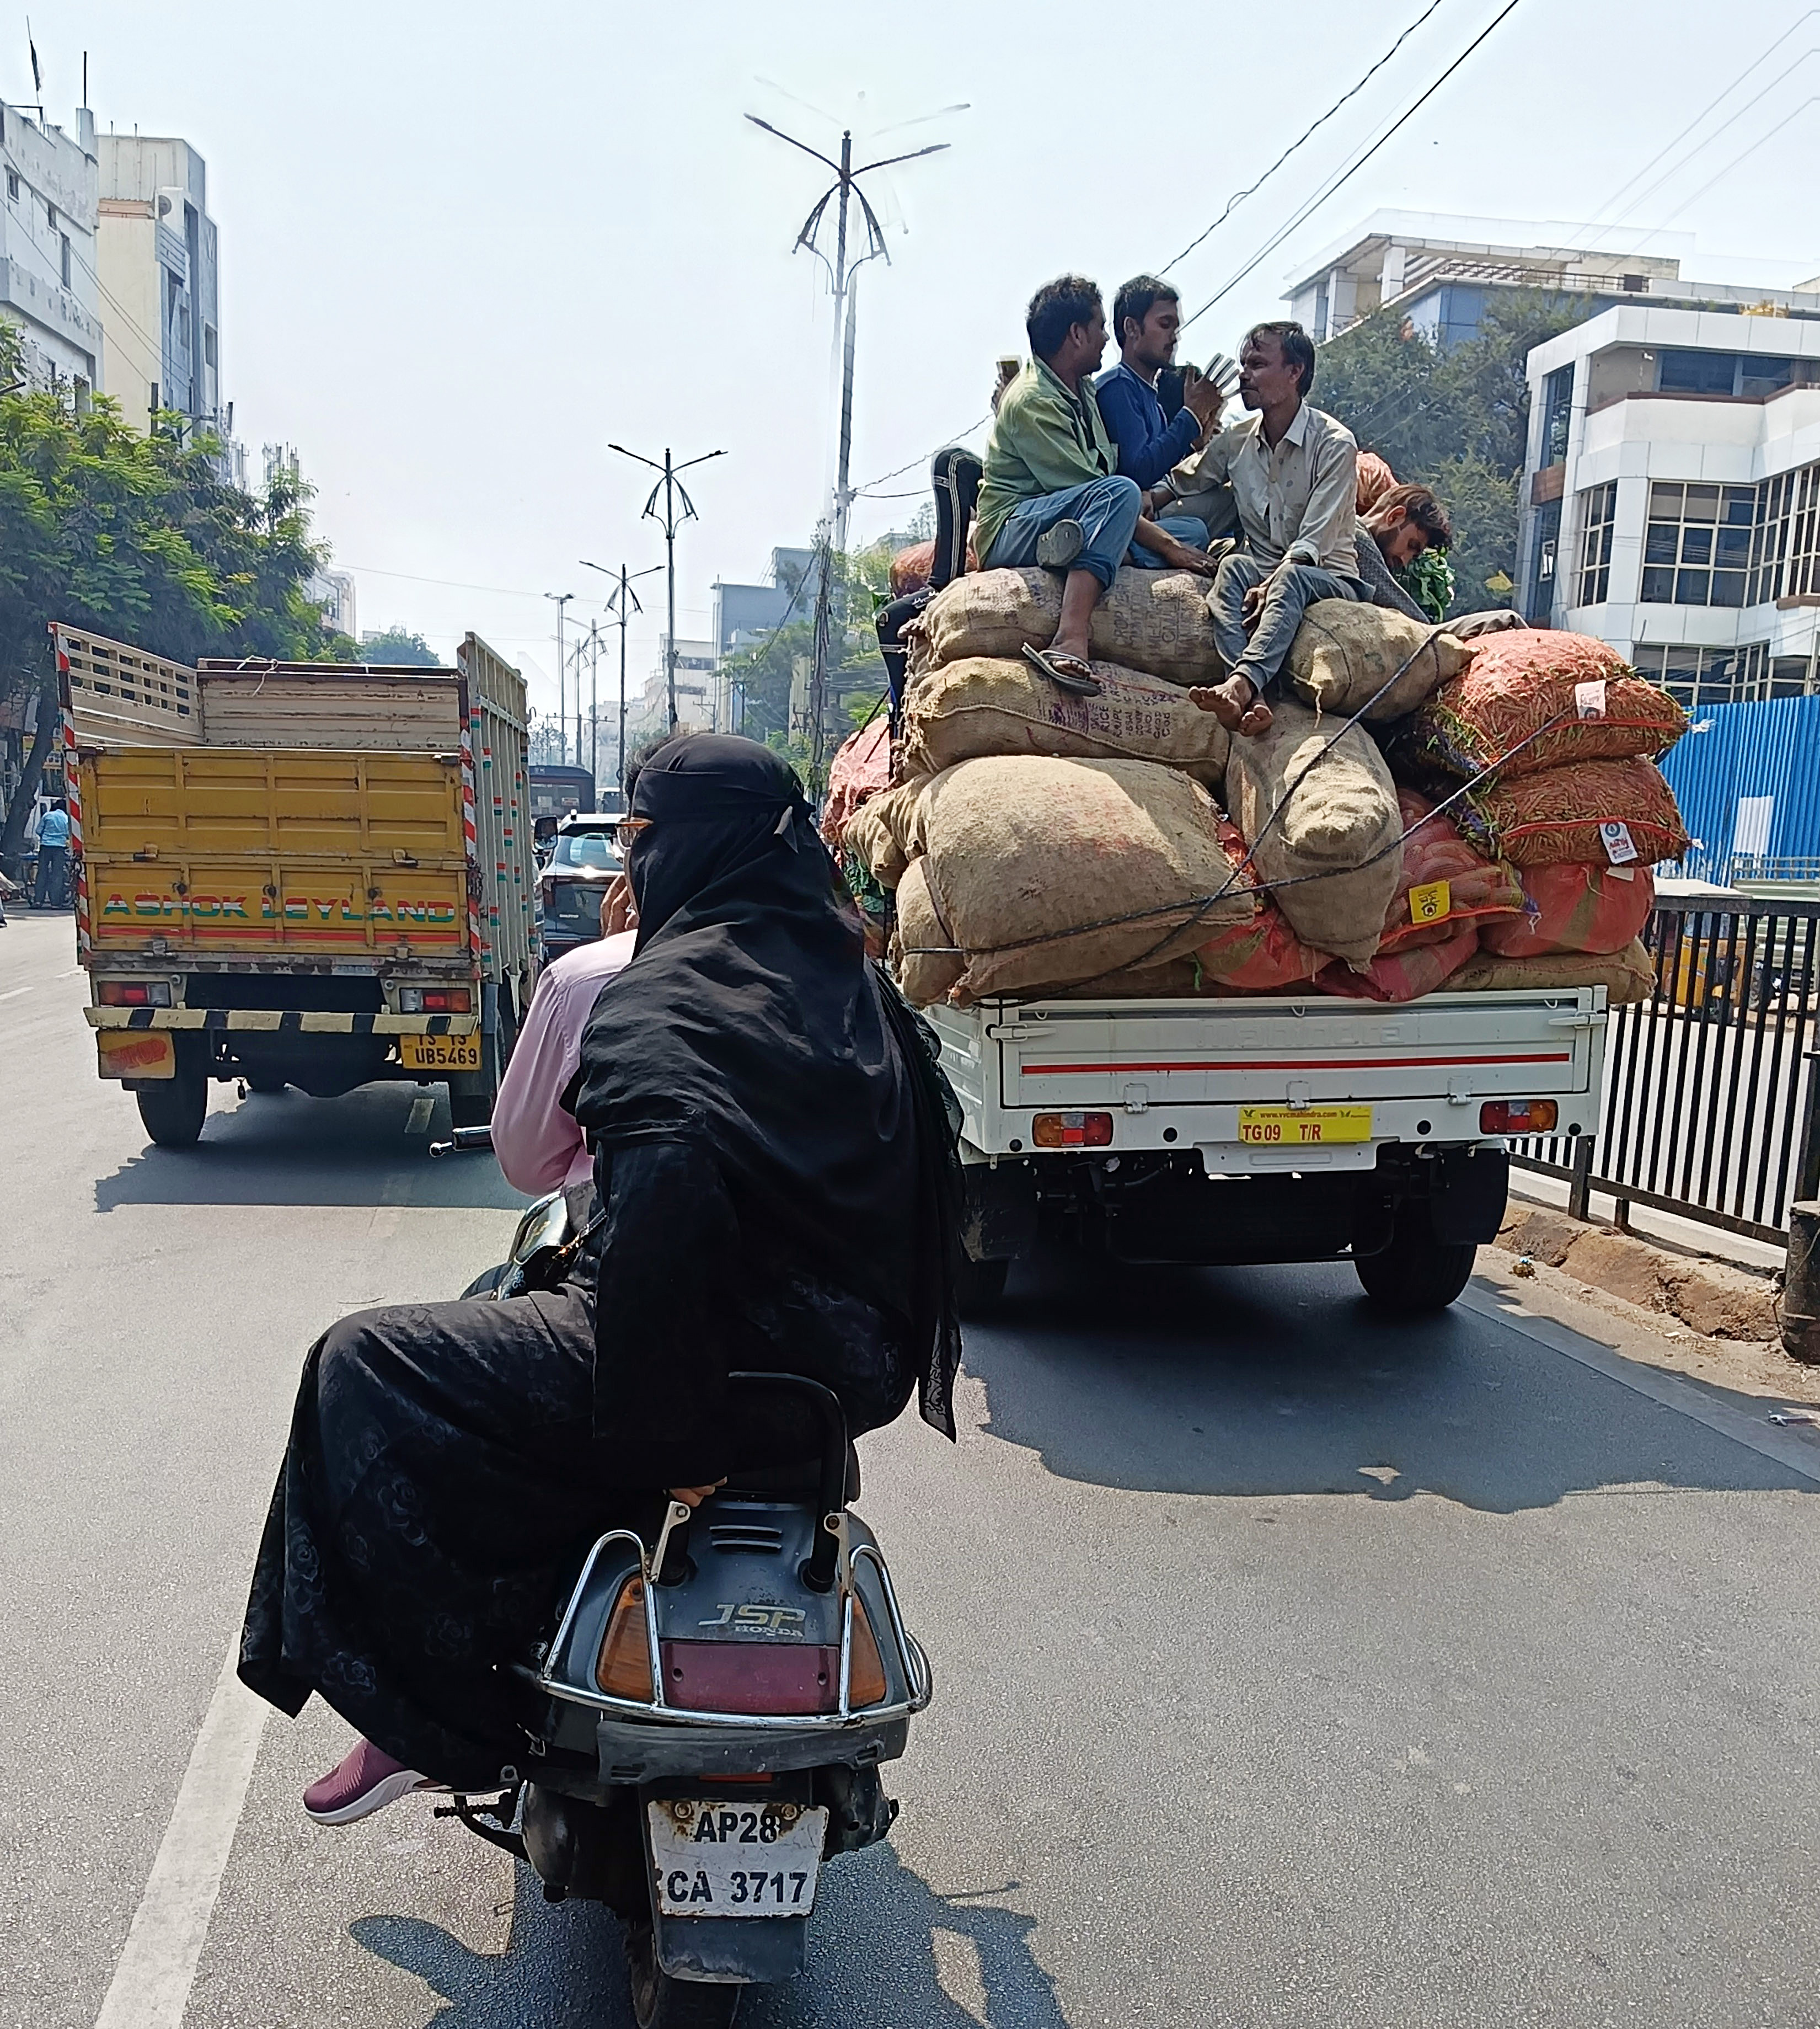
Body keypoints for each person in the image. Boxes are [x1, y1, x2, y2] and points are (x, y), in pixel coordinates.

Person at [239, 733, 964, 1823]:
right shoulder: (860, 991)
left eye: (648, 838)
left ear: (693, 851)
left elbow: (662, 1225)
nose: (641, 862)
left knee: (361, 1361)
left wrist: (673, 1445)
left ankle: (428, 1715)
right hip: (845, 1380)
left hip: (700, 1373)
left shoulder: (661, 998)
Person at [974, 276, 1215, 695]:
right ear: (1076, 334)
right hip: (1017, 526)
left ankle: (1088, 554)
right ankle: (1071, 636)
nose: (1107, 338)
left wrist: (1168, 539)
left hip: (1071, 521)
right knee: (1125, 498)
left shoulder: (1081, 392)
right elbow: (1101, 490)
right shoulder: (1034, 400)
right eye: (1102, 327)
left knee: (1193, 531)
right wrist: (1166, 547)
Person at [1182, 323, 1363, 739]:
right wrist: (1142, 499)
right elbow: (1184, 480)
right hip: (1262, 573)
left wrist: (1280, 577)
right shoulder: (1236, 442)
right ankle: (1254, 699)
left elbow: (1313, 541)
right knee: (1231, 570)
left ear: (1295, 372)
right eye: (1244, 364)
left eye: (1258, 364)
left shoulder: (1335, 443)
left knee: (1292, 577)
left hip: (1327, 577)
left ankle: (1242, 683)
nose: (1244, 374)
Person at [489, 875, 637, 1197]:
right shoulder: (770, 964)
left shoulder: (579, 979)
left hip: (615, 1224)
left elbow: (527, 1165)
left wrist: (620, 954)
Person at [1093, 275, 1226, 544]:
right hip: (1128, 516)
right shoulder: (1118, 387)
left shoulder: (1149, 393)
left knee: (1230, 490)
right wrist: (1189, 416)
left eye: (1176, 328)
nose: (1173, 338)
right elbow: (1138, 471)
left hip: (1151, 507)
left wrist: (1196, 442)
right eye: (1165, 325)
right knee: (1198, 529)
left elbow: (1161, 464)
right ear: (1132, 328)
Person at [1353, 483, 1454, 622]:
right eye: (1412, 546)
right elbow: (1387, 594)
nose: (1405, 561)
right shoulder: (1354, 535)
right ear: (1395, 516)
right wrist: (1432, 631)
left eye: (1413, 557)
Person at [33, 798, 71, 909]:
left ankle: (39, 901)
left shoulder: (47, 816)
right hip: (60, 848)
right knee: (57, 874)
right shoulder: (66, 818)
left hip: (45, 847)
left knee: (42, 873)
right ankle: (55, 903)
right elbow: (69, 834)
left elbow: (38, 831)